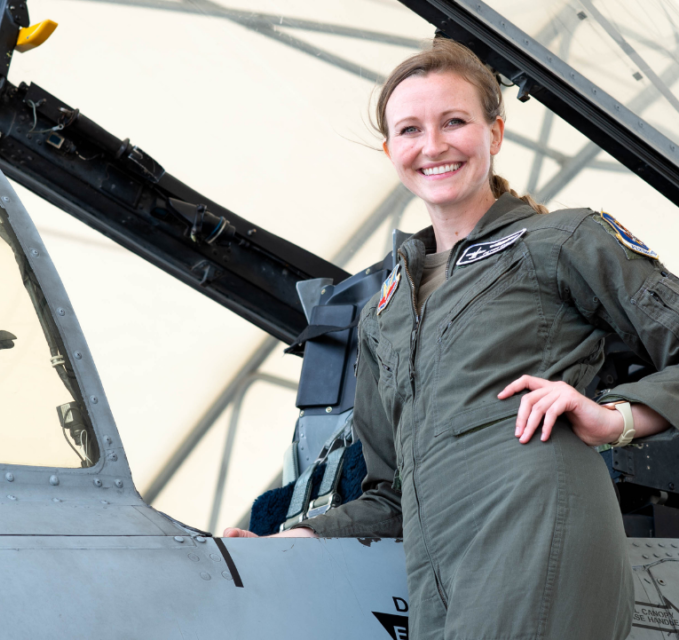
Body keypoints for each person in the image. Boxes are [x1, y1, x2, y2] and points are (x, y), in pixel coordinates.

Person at [225, 39, 678, 640]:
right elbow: (391, 493)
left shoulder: (563, 241)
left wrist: (617, 417)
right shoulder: (384, 313)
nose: (433, 146)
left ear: (494, 132)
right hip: (438, 571)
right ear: (390, 150)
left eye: (454, 122)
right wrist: (299, 539)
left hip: (537, 527)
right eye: (410, 129)